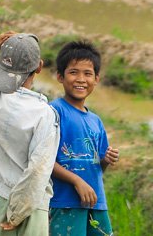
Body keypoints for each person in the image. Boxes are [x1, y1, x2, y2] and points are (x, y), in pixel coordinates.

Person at [0, 32, 60, 235]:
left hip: (2, 197)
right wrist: (17, 213)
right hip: (31, 204)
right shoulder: (44, 113)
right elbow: (38, 170)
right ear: (39, 67)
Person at [48, 41, 120, 236]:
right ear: (60, 76)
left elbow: (97, 168)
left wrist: (105, 160)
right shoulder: (54, 112)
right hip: (64, 202)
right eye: (73, 72)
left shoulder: (95, 121)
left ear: (96, 79)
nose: (81, 79)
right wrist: (77, 181)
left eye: (87, 74)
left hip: (96, 202)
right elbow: (44, 160)